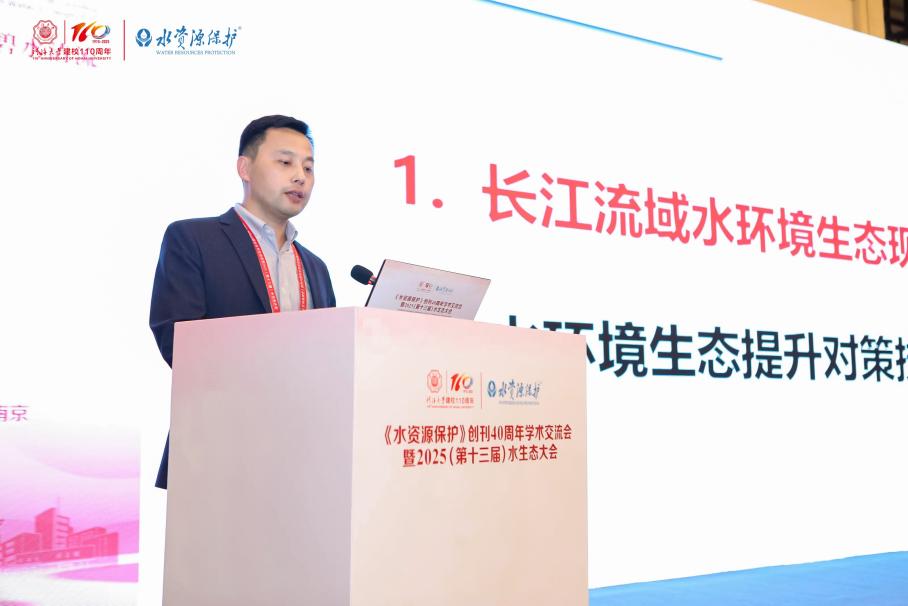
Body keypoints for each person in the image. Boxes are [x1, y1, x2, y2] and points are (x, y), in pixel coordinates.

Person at [149, 115, 336, 489]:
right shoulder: (193, 239)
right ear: (245, 168)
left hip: (302, 460)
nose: (300, 176)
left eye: (308, 167)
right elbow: (179, 343)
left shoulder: (316, 267)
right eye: (285, 162)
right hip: (217, 454)